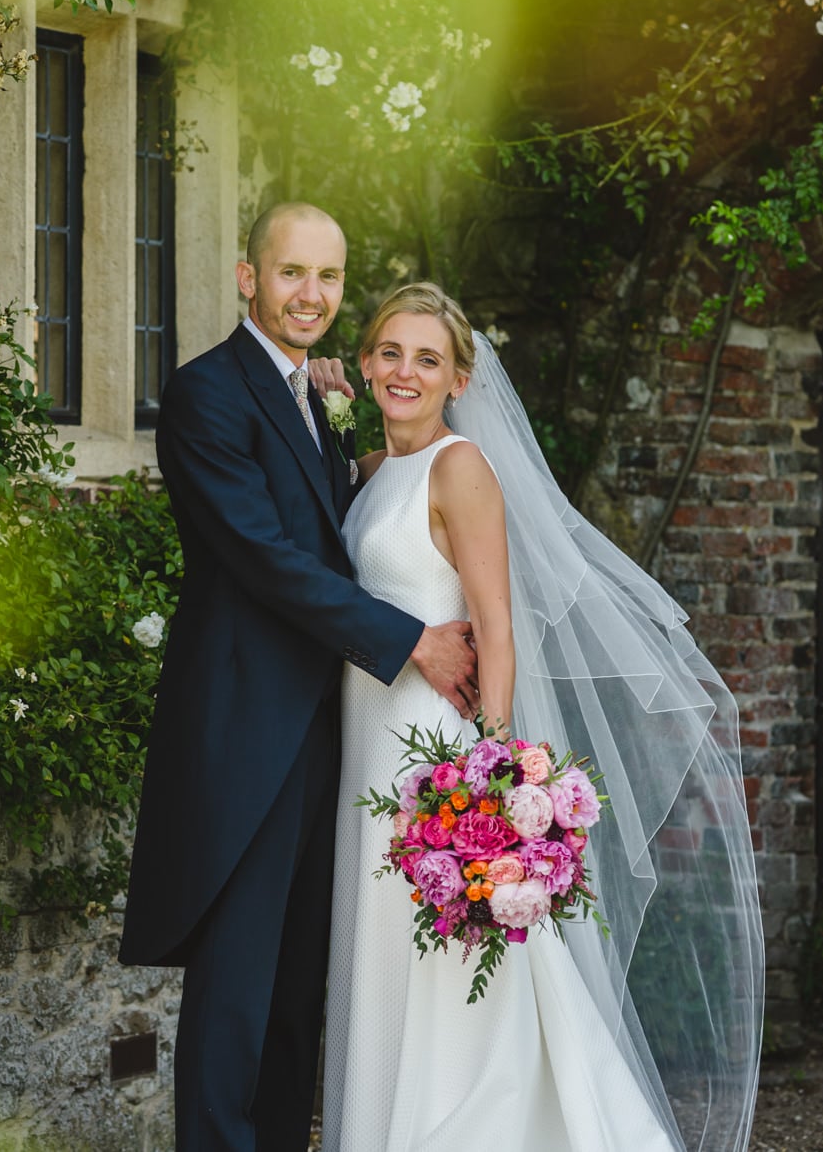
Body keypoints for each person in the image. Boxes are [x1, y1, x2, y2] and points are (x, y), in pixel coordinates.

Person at [316, 282, 764, 1151]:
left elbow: (497, 623)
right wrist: (324, 404)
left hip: (429, 759)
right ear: (367, 361)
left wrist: (491, 775)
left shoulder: (460, 467)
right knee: (383, 969)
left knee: (450, 975)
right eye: (391, 353)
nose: (406, 371)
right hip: (365, 746)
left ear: (459, 378)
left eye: (428, 359)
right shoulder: (371, 472)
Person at [118, 206, 481, 1152]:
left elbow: (346, 525)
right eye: (291, 274)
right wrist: (413, 641)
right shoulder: (207, 394)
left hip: (329, 736)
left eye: (327, 277)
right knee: (236, 997)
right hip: (246, 737)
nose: (310, 295)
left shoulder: (311, 397)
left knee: (293, 1001)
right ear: (249, 278)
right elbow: (267, 558)